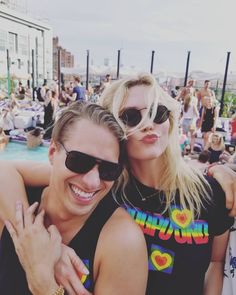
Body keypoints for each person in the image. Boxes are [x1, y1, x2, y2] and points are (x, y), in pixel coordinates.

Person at [0, 74, 236, 295]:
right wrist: (39, 239)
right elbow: (9, 171)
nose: (148, 124)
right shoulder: (105, 183)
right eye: (131, 117)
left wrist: (222, 169)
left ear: (170, 121)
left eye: (158, 113)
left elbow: (215, 264)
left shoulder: (211, 192)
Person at [0, 102, 148, 295]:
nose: (92, 182)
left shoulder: (122, 242)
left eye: (108, 170)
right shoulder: (14, 202)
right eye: (79, 161)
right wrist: (40, 241)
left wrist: (45, 286)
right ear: (53, 152)